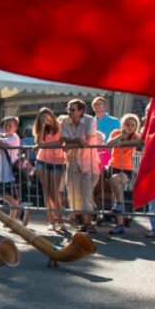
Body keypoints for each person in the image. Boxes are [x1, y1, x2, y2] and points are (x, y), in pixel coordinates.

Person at [60, 99, 97, 232]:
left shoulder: (90, 120)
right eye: (68, 109)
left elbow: (86, 142)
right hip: (73, 160)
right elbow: (63, 139)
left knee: (87, 192)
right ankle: (82, 220)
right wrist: (76, 140)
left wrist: (70, 143)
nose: (69, 112)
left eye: (72, 109)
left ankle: (88, 222)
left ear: (81, 111)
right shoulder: (65, 121)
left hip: (88, 161)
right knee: (73, 192)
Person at [104, 113, 140, 235]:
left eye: (133, 125)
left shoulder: (135, 136)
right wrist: (121, 135)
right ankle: (119, 225)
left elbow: (136, 143)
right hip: (114, 166)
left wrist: (121, 144)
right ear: (122, 124)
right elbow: (108, 144)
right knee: (117, 196)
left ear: (136, 127)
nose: (130, 127)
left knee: (114, 181)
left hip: (126, 169)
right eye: (127, 124)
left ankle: (119, 205)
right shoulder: (116, 133)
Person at [0, 116, 27, 225]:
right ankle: (16, 213)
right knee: (2, 195)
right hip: (2, 171)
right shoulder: (1, 135)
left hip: (11, 171)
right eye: (6, 125)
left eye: (10, 125)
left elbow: (3, 143)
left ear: (15, 127)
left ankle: (15, 214)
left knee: (7, 195)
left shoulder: (15, 137)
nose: (7, 127)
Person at [34, 107, 67, 232]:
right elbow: (38, 141)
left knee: (54, 192)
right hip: (42, 160)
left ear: (52, 116)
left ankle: (61, 220)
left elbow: (60, 143)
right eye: (42, 118)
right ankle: (51, 221)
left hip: (57, 161)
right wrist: (42, 127)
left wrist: (42, 145)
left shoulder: (60, 126)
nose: (46, 120)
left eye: (47, 117)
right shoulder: (40, 128)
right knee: (46, 191)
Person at [92, 96, 121, 170]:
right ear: (93, 108)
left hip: (110, 154)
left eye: (100, 104)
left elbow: (118, 136)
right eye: (95, 104)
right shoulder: (90, 122)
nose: (98, 106)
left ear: (105, 107)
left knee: (107, 176)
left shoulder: (114, 121)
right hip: (93, 154)